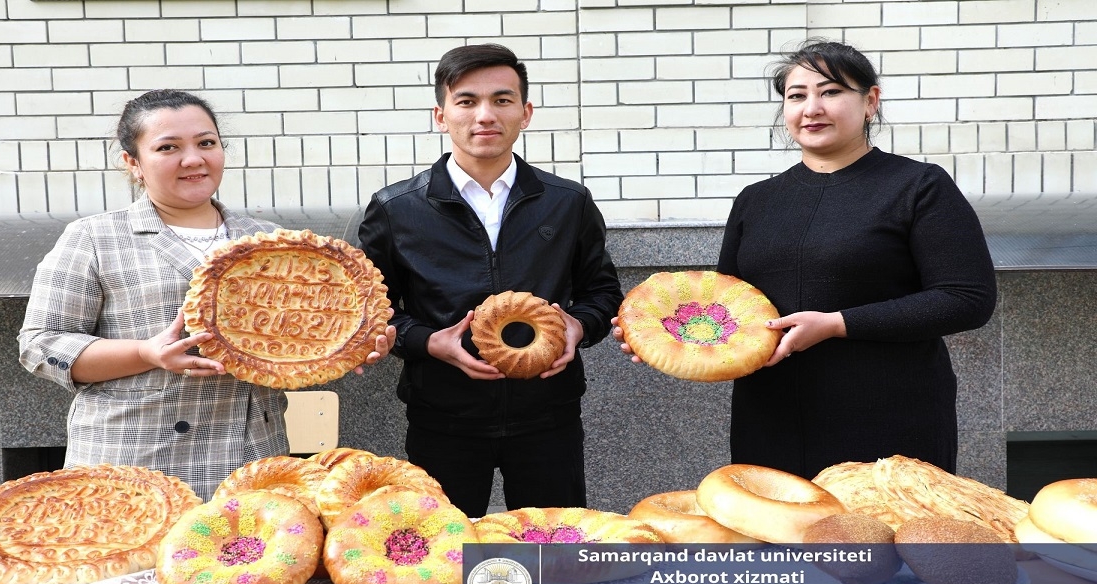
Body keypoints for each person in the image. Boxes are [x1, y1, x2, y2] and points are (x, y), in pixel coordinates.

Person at [616, 39, 997, 479]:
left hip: (888, 414)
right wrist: (663, 333)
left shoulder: (917, 186)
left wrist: (837, 323)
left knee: (880, 541)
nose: (811, 107)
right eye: (797, 96)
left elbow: (967, 297)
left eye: (831, 91)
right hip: (771, 417)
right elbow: (725, 304)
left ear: (870, 101)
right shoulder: (757, 200)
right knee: (778, 540)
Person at [18, 89, 394, 500]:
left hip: (249, 461)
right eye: (168, 147)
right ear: (132, 162)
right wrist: (145, 353)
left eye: (206, 143)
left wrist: (347, 347)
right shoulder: (95, 237)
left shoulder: (269, 241)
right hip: (134, 459)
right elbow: (41, 346)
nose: (194, 159)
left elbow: (288, 346)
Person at [358, 44, 623, 518]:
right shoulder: (397, 209)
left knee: (553, 555)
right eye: (466, 101)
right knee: (445, 557)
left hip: (549, 414)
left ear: (526, 113)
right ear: (441, 115)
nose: (485, 115)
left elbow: (601, 292)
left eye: (502, 100)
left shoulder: (566, 202)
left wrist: (580, 327)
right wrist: (427, 342)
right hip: (443, 416)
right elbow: (373, 308)